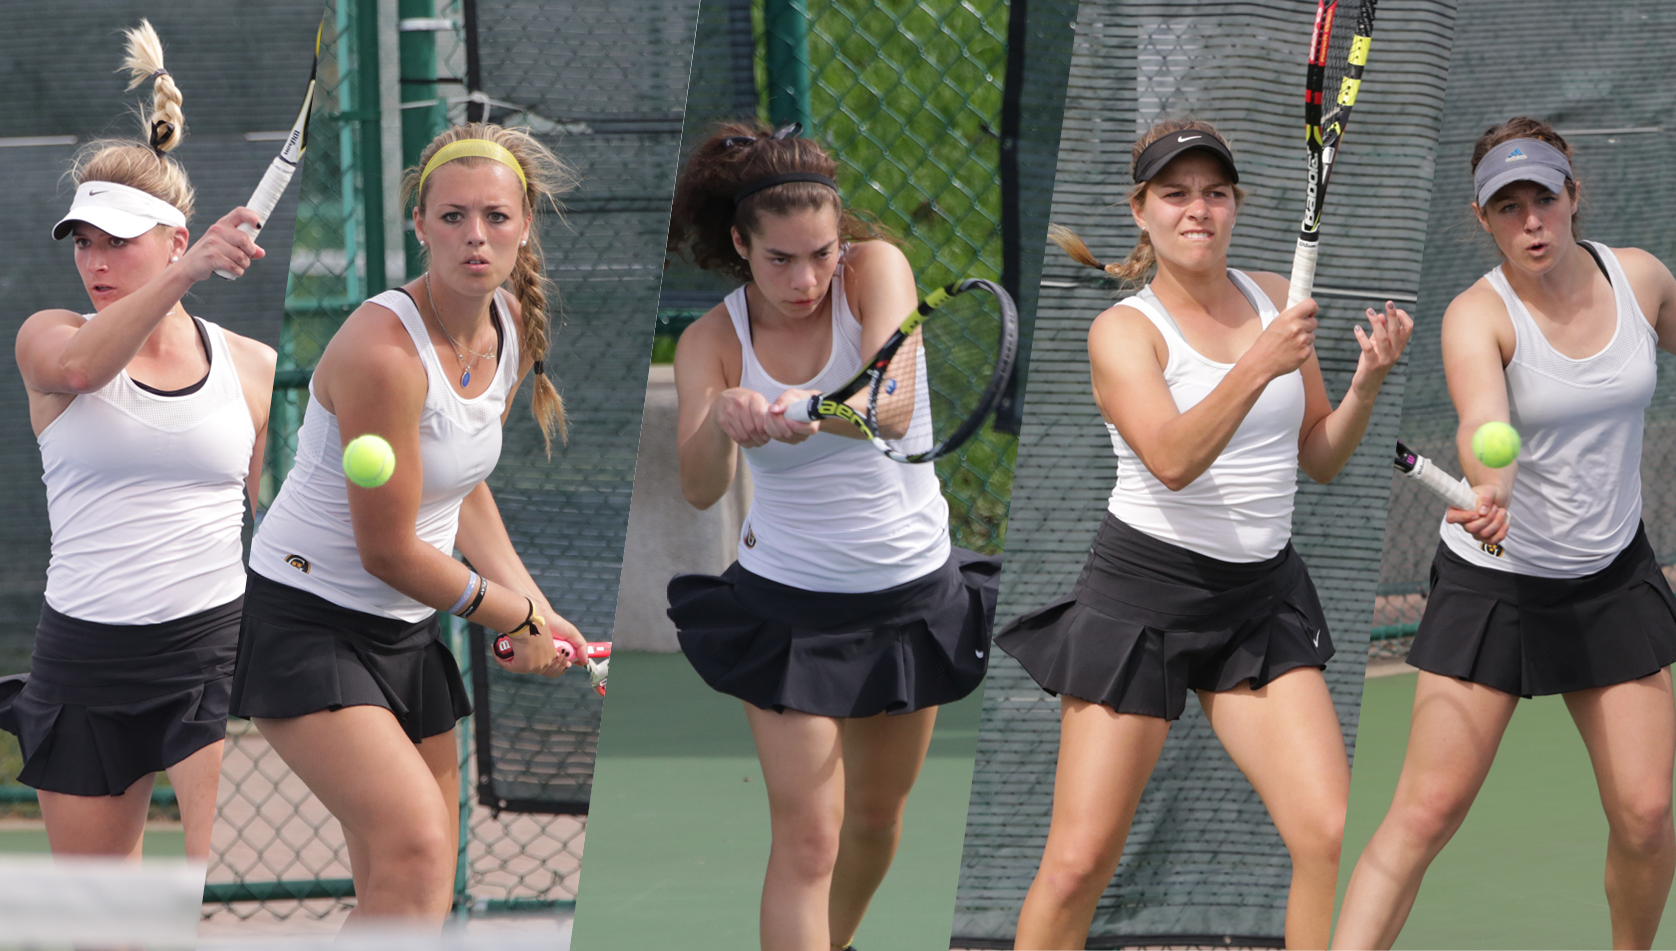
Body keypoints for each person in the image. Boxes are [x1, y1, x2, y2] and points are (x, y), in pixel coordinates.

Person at [999, 118, 1411, 951]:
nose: (1198, 210)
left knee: (1326, 830)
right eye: (1176, 194)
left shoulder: (1271, 298)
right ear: (1141, 211)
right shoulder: (1124, 331)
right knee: (1078, 863)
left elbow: (1319, 456)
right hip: (1140, 601)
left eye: (1214, 193)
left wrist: (1365, 385)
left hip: (1258, 600)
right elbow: (1173, 458)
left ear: (1236, 205)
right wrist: (1259, 361)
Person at [228, 123, 587, 927]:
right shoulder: (383, 353)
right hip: (306, 624)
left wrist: (537, 605)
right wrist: (511, 612)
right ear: (419, 224)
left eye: (496, 216)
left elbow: (461, 489)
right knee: (419, 849)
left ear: (525, 223)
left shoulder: (511, 324)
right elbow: (388, 548)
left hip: (406, 633)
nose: (475, 236)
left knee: (409, 894)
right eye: (453, 216)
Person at [1333, 118, 1676, 951]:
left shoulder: (1642, 277)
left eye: (1544, 199)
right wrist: (1491, 490)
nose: (1531, 221)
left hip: (1611, 573)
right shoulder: (1474, 315)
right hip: (1501, 583)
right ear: (1482, 218)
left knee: (1647, 810)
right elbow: (1486, 423)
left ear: (1573, 196)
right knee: (1427, 810)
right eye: (1508, 206)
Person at [664, 120, 1001, 951]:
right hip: (788, 610)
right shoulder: (710, 341)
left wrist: (804, 409)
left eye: (822, 251)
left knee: (877, 822)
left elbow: (888, 405)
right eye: (781, 258)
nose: (807, 276)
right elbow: (701, 486)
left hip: (912, 594)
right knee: (810, 836)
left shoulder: (876, 270)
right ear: (741, 245)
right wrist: (724, 419)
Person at [0, 21, 274, 860]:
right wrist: (188, 279)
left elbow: (255, 510)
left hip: (211, 650)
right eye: (84, 240)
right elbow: (84, 370)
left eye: (119, 240)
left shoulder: (252, 365)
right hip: (81, 655)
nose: (97, 260)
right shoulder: (48, 337)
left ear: (174, 240)